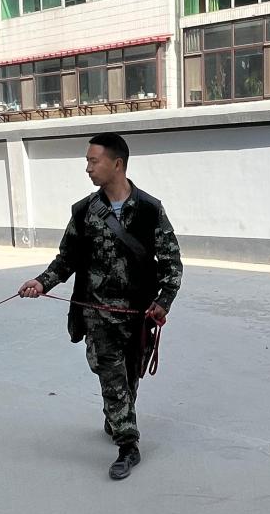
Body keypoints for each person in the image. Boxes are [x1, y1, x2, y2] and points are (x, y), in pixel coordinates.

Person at [19, 132, 183, 480]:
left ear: (117, 164)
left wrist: (163, 302)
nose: (88, 168)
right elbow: (66, 259)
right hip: (96, 315)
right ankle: (129, 445)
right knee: (111, 376)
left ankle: (118, 417)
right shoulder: (83, 212)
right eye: (88, 161)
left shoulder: (150, 209)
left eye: (93, 161)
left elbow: (171, 263)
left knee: (130, 378)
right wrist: (41, 282)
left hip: (138, 316)